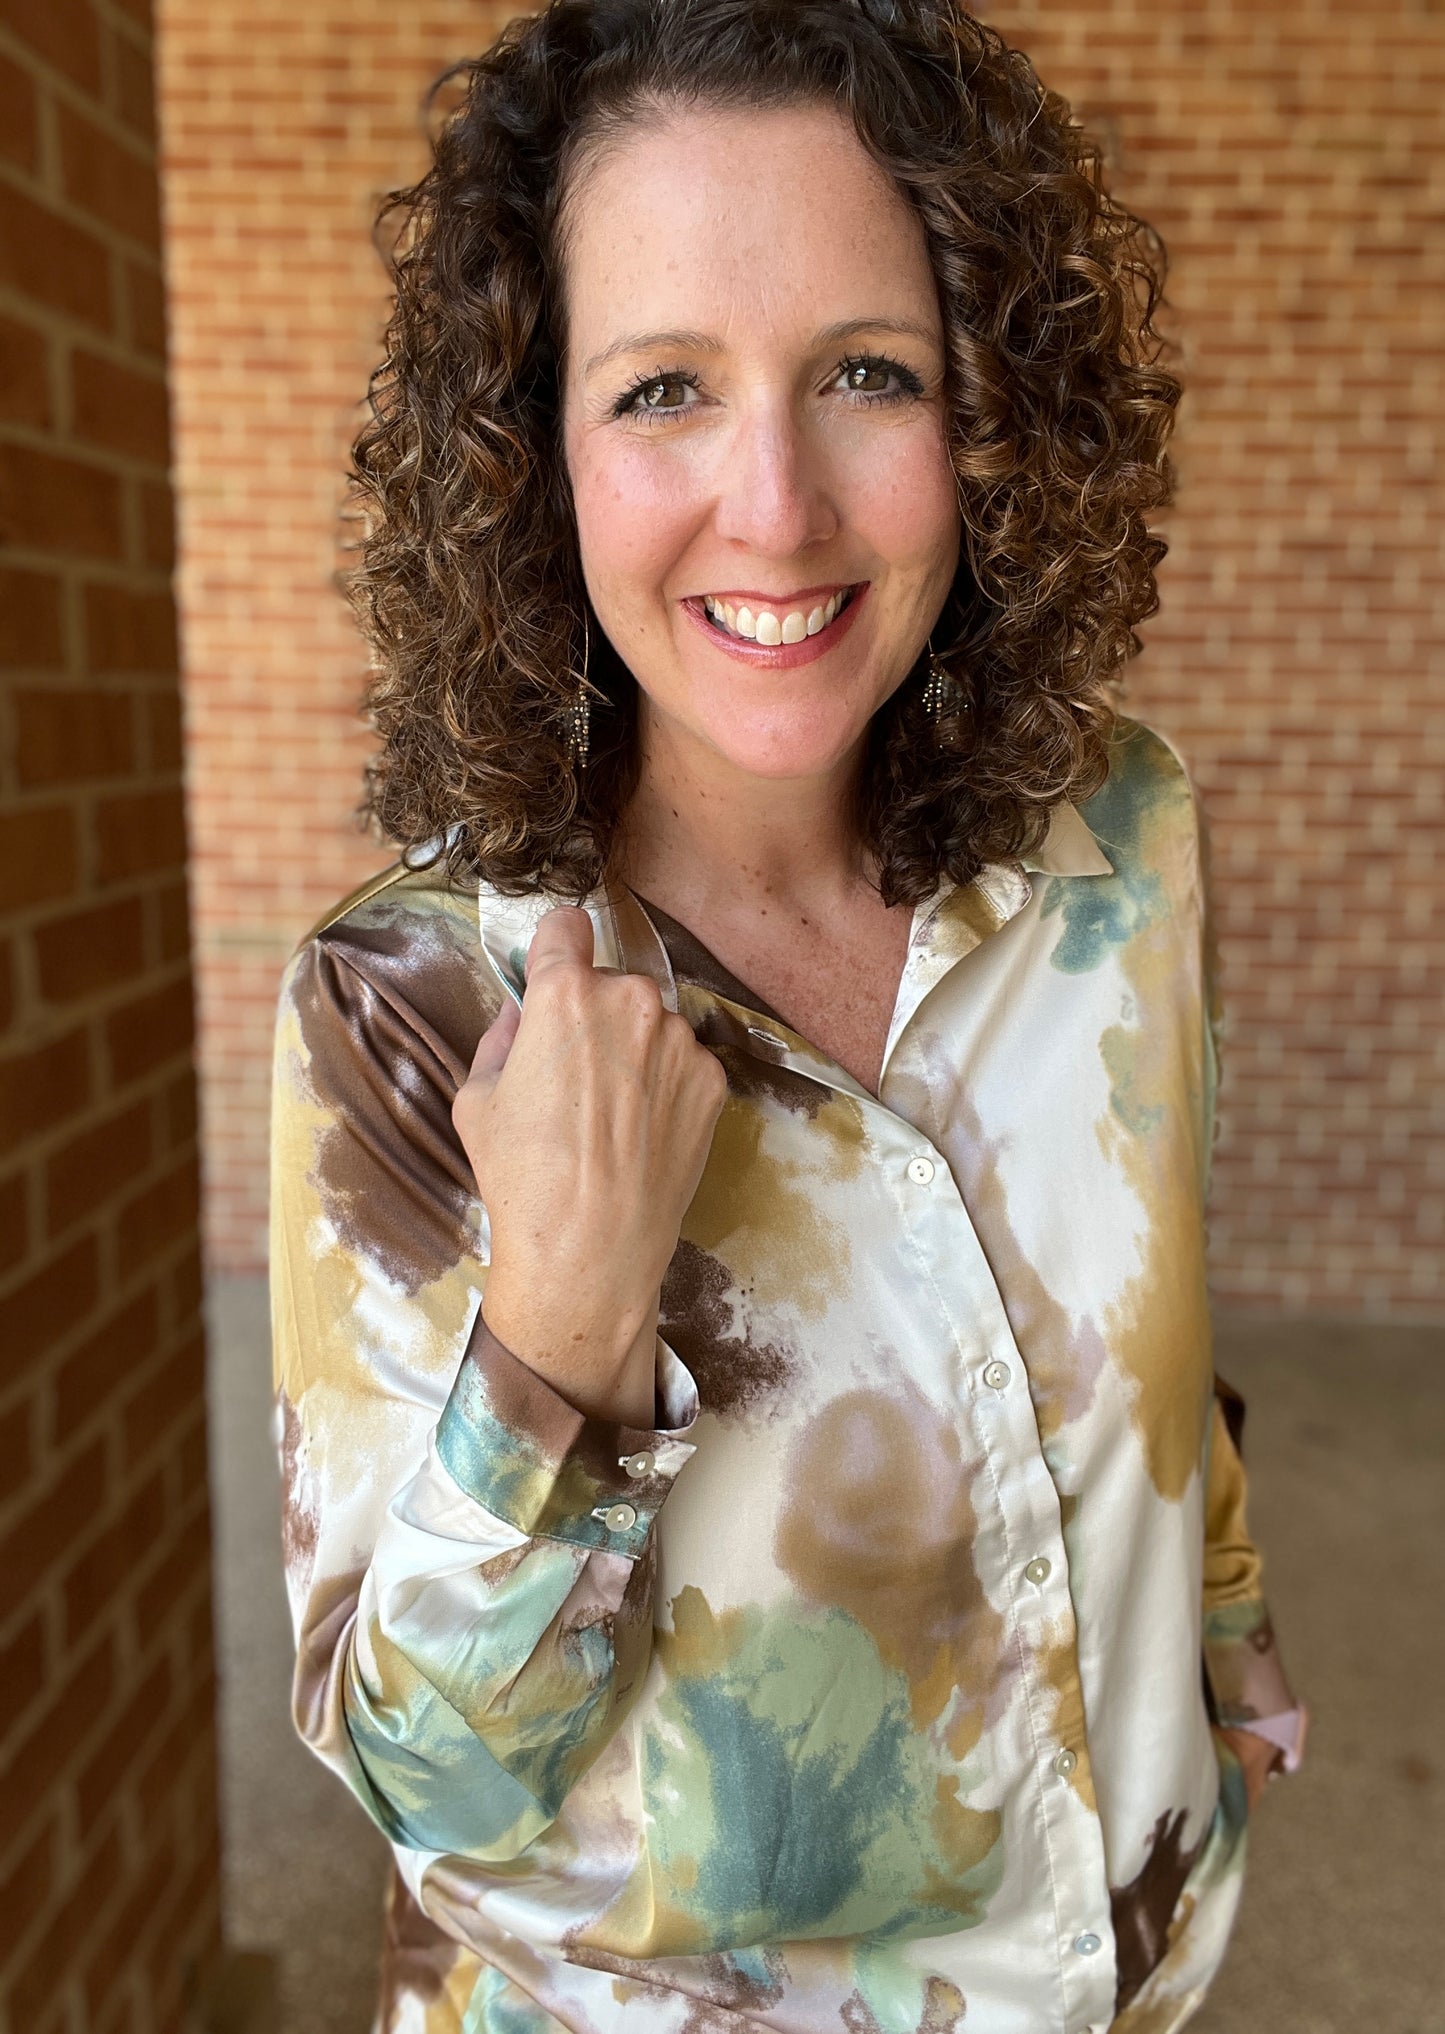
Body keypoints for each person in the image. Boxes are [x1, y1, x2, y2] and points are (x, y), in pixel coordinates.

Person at [268, 2, 1306, 2028]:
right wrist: (558, 1338)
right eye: (662, 387)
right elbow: (431, 1794)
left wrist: (1222, 1607)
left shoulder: (1124, 841)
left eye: (867, 374)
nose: (776, 504)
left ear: (993, 414)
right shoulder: (405, 1016)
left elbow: (1150, 1317)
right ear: (531, 453)